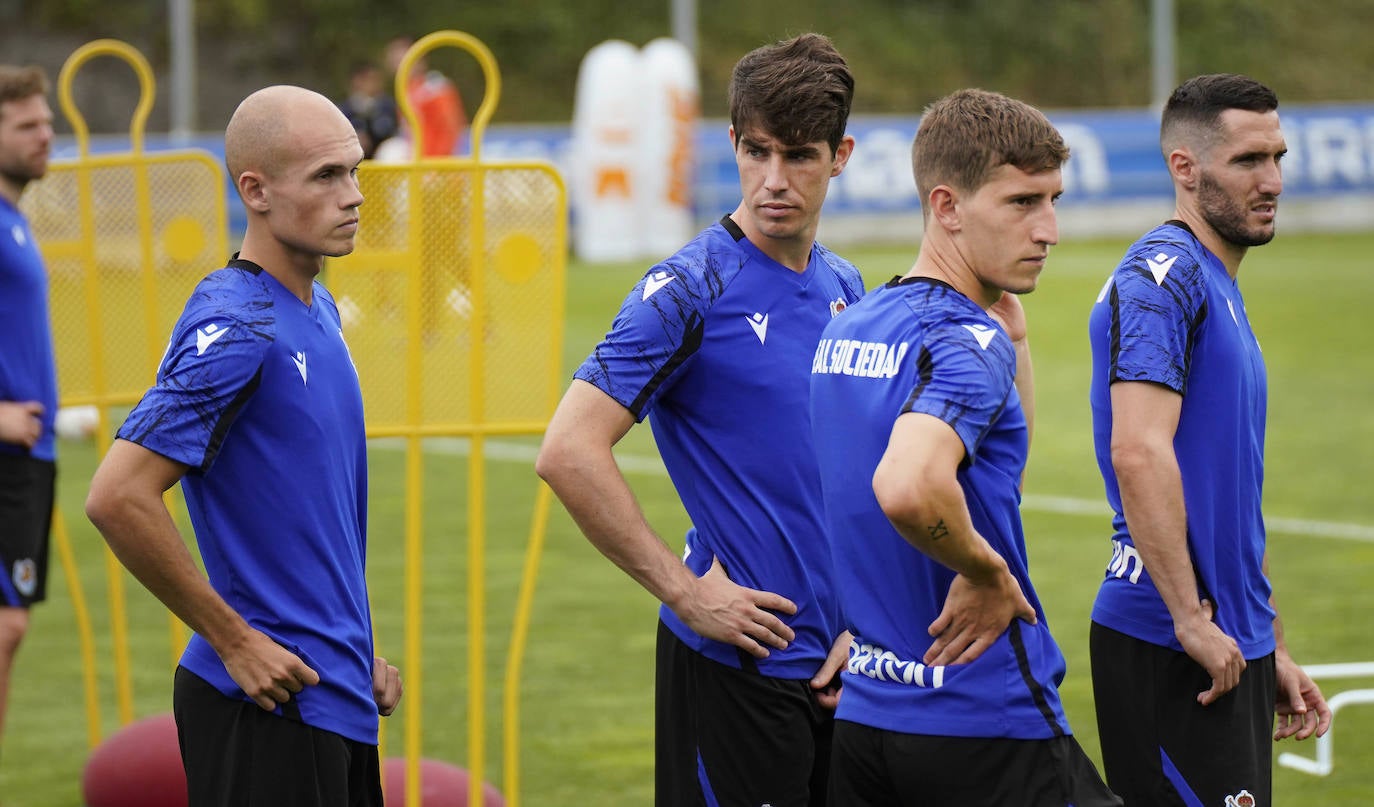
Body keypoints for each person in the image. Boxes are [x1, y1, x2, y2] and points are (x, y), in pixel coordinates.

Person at [536, 33, 863, 807]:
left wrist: (868, 622)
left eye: (800, 157)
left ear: (841, 155)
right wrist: (684, 592)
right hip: (733, 672)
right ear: (732, 145)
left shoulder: (846, 283)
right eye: (756, 152)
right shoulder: (688, 290)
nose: (773, 180)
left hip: (845, 672)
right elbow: (568, 449)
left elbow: (857, 472)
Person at [85, 85, 401, 805]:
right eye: (326, 176)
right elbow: (116, 494)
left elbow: (306, 518)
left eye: (354, 171)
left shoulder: (317, 309)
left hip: (334, 691)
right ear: (254, 190)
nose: (353, 195)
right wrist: (234, 639)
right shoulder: (235, 326)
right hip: (266, 707)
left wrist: (355, 651)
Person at [809, 88, 1119, 806]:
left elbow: (990, 478)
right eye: (1021, 203)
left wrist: (1015, 343)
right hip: (985, 716)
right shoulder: (962, 340)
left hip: (871, 721)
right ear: (947, 207)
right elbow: (910, 486)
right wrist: (983, 570)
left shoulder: (851, 327)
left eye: (1053, 200)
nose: (1049, 229)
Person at [1087, 73, 1331, 805]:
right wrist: (1192, 618)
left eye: (1277, 157)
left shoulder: (1216, 283)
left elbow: (1226, 493)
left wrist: (1271, 638)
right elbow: (1138, 450)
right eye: (1248, 161)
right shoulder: (1163, 280)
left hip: (1230, 638)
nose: (1273, 182)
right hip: (1172, 640)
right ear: (1185, 169)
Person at [0, 63, 56, 753]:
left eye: (46, 121)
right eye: (25, 126)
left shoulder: (14, 219)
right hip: (7, 450)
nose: (46, 135)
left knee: (10, 630)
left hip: (30, 456)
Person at [382, 35, 467, 158]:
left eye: (402, 58)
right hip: (418, 162)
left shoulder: (435, 87)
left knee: (392, 151)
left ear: (421, 58)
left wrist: (437, 164)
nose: (398, 64)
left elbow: (452, 128)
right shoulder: (407, 92)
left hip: (436, 165)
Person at [338, 61, 398, 160]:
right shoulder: (344, 110)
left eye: (377, 79)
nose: (376, 84)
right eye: (370, 79)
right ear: (357, 81)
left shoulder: (388, 106)